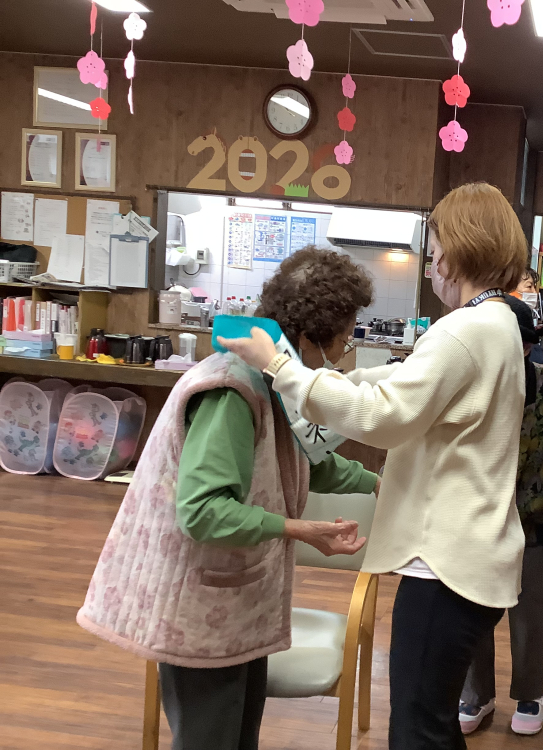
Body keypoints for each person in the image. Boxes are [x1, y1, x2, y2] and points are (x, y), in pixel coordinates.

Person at [219, 182, 528, 750]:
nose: (433, 266)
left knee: (416, 729)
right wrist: (331, 380)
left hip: (445, 564)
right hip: (467, 554)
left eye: (436, 252)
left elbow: (385, 416)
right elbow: (402, 382)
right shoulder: (497, 322)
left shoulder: (466, 329)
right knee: (430, 721)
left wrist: (284, 369)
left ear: (458, 251)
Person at [77, 246, 379, 750]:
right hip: (199, 607)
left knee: (238, 735)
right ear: (308, 338)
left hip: (239, 602)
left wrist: (380, 483)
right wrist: (300, 530)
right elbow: (203, 511)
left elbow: (307, 459)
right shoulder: (231, 390)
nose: (341, 355)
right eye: (343, 341)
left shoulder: (270, 379)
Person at [458, 295, 543, 737]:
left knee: (532, 610)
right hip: (475, 517)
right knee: (473, 607)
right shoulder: (465, 387)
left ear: (528, 345)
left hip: (537, 518)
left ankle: (531, 693)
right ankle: (476, 693)